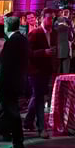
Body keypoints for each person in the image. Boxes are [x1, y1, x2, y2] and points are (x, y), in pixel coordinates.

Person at [0, 16, 31, 148]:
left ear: (6, 27)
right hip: (16, 81)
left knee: (10, 113)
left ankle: (15, 145)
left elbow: (3, 65)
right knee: (6, 113)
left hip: (7, 83)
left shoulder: (12, 42)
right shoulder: (22, 39)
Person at [25, 8, 56, 138]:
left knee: (38, 96)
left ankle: (28, 121)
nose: (51, 21)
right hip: (35, 70)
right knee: (39, 98)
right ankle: (41, 127)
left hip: (47, 70)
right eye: (49, 18)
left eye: (52, 18)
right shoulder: (35, 33)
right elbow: (28, 53)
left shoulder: (54, 33)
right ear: (43, 18)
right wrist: (44, 52)